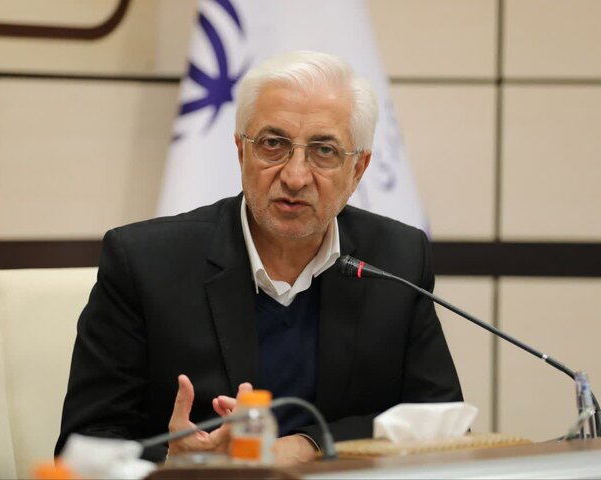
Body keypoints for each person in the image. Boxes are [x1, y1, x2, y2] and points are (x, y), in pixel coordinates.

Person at [56, 50, 462, 464]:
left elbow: (442, 422)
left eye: (324, 150)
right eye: (273, 144)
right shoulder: (145, 263)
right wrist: (171, 461)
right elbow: (83, 444)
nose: (295, 176)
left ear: (358, 169)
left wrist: (307, 445)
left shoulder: (397, 259)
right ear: (241, 151)